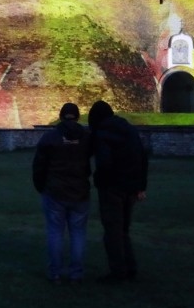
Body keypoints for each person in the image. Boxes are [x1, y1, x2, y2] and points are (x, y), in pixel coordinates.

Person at [87, 100, 149, 284]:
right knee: (123, 230)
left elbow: (104, 163)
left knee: (113, 231)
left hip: (112, 188)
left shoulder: (102, 133)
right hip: (130, 187)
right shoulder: (129, 129)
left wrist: (99, 181)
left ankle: (118, 272)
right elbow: (142, 158)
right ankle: (130, 267)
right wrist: (141, 186)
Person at [32, 102, 92, 284]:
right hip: (80, 192)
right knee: (78, 234)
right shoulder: (87, 137)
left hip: (55, 191)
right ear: (77, 116)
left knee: (55, 233)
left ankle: (55, 273)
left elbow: (39, 166)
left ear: (60, 116)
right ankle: (76, 273)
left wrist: (41, 186)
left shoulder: (50, 137)